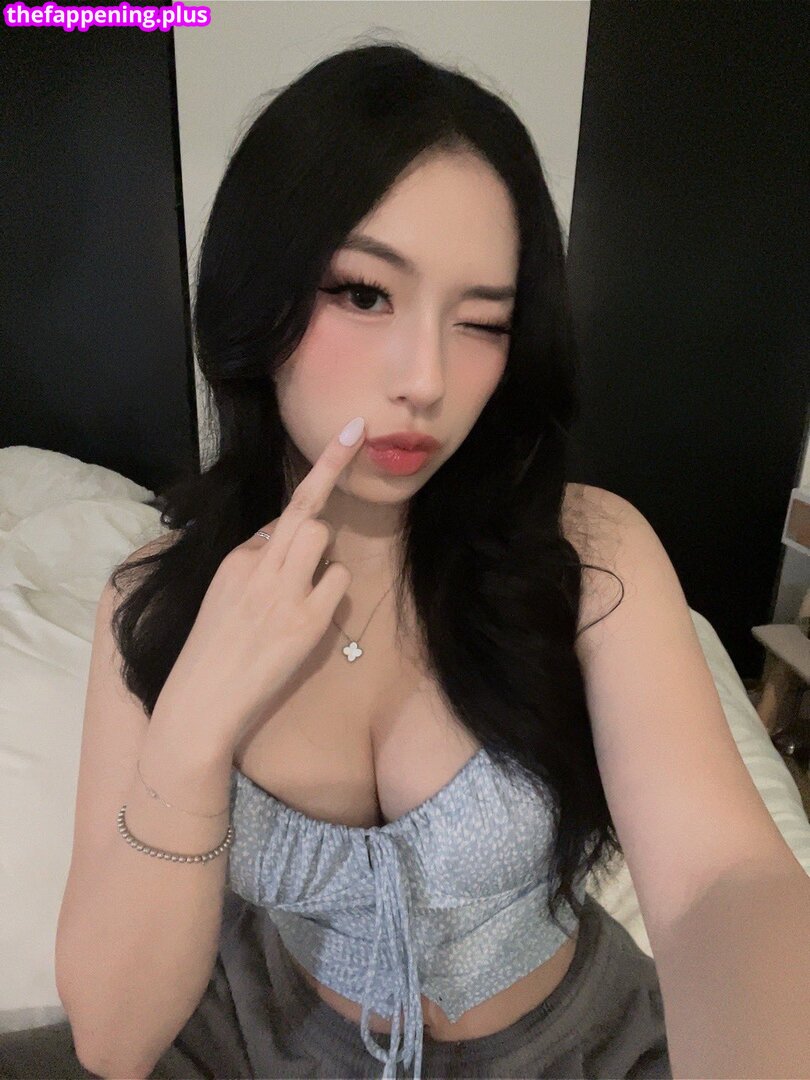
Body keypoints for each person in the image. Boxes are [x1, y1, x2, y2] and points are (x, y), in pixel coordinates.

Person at [0, 38, 670, 1080]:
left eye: (481, 321)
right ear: (258, 297)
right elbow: (115, 1041)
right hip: (273, 1037)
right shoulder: (156, 599)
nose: (426, 378)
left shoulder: (587, 551)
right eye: (364, 294)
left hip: (576, 1046)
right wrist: (192, 731)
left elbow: (727, 875)